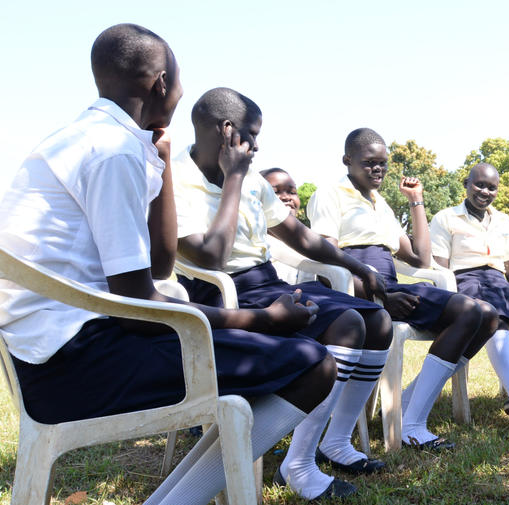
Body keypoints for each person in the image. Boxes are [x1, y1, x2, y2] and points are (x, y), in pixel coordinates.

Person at [0, 25, 333, 505]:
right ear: (161, 83)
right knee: (312, 362)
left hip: (58, 356)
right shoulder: (112, 153)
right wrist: (267, 318)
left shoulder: (90, 140)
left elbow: (157, 266)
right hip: (75, 368)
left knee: (274, 355)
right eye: (178, 80)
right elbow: (139, 303)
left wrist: (160, 166)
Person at [173, 89, 391, 500]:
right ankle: (299, 465)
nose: (256, 147)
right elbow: (210, 257)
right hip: (220, 295)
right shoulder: (176, 178)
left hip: (268, 282)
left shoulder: (254, 182)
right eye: (252, 135)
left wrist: (357, 266)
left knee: (376, 321)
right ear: (227, 131)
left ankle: (335, 442)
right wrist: (234, 176)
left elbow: (301, 237)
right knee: (346, 326)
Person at [306, 127, 499, 450]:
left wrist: (416, 202)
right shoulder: (330, 194)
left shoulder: (380, 203)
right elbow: (331, 262)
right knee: (468, 312)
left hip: (387, 284)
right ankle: (412, 425)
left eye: (383, 163)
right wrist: (379, 298)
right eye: (369, 163)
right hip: (353, 289)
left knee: (486, 316)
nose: (378, 169)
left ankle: (407, 404)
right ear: (347, 160)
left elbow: (420, 257)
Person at [429, 162, 509, 428]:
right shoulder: (446, 217)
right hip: (466, 282)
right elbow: (440, 268)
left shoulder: (502, 220)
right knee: (493, 320)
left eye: (492, 187)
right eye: (479, 184)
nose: (485, 192)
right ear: (466, 183)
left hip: (499, 281)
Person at [261, 168, 302, 283]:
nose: (286, 197)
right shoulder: (254, 245)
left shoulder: (307, 242)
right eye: (275, 192)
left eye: (292, 192)